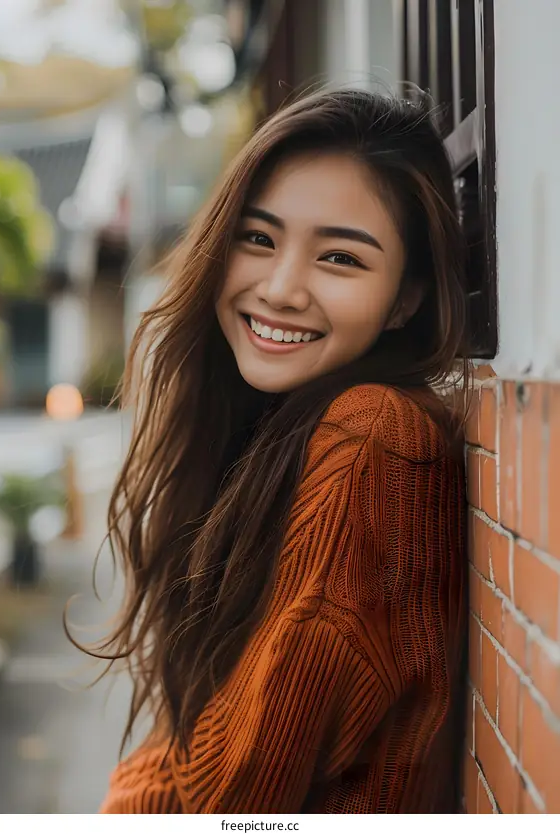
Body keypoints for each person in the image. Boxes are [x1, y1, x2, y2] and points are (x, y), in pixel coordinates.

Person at [96, 88, 468, 814]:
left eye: (340, 258)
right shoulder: (268, 432)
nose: (280, 289)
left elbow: (235, 797)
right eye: (258, 238)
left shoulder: (375, 436)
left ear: (405, 300)